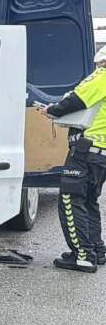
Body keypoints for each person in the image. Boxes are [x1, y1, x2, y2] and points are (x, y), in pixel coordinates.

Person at [37, 46, 106, 273]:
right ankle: (96, 250)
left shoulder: (103, 77)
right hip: (101, 154)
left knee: (70, 199)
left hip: (86, 152)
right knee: (88, 200)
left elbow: (76, 100)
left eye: (98, 64)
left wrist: (52, 110)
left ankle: (83, 256)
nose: (95, 68)